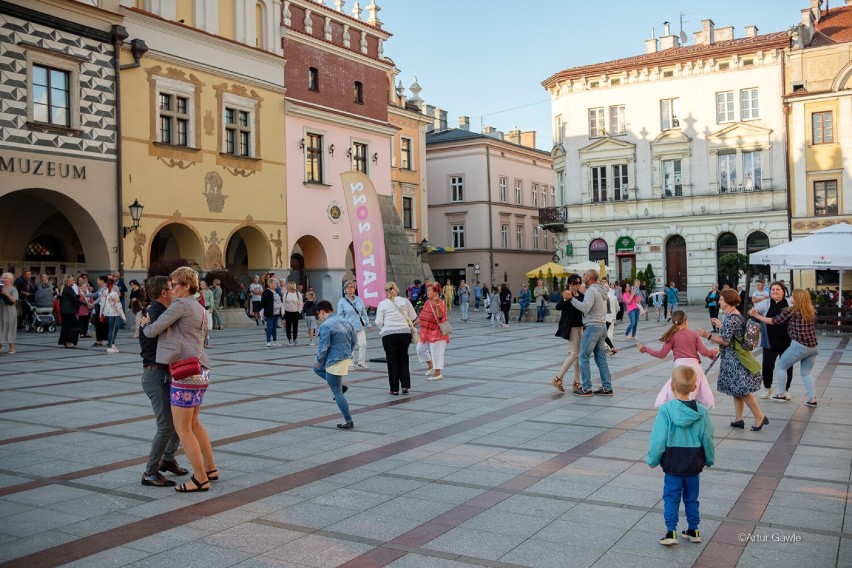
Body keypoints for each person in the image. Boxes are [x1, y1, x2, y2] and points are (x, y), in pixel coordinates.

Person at [140, 266, 216, 493]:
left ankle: (201, 478)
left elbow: (153, 330)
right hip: (202, 369)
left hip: (185, 372)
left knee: (183, 429)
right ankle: (210, 468)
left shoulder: (180, 304)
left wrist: (145, 324)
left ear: (184, 285)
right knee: (194, 423)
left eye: (173, 285)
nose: (170, 289)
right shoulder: (199, 307)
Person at [647, 366, 715, 547]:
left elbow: (658, 438)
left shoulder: (666, 410)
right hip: (694, 461)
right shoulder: (701, 412)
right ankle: (694, 529)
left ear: (671, 386)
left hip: (673, 461)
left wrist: (653, 459)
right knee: (692, 497)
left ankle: (671, 531)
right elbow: (707, 438)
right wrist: (709, 458)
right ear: (694, 388)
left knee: (671, 496)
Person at [139, 275, 189, 488]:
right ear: (163, 292)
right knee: (166, 425)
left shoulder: (156, 312)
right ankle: (150, 472)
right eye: (171, 288)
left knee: (179, 420)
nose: (174, 291)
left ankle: (167, 459)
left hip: (164, 373)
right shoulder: (158, 313)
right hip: (155, 375)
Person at [698, 289, 767, 430]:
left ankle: (759, 416)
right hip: (733, 357)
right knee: (736, 390)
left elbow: (725, 341)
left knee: (742, 390)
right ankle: (738, 419)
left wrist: (707, 335)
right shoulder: (734, 316)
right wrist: (720, 325)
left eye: (721, 299)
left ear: (728, 301)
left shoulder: (732, 318)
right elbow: (732, 334)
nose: (719, 301)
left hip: (736, 359)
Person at [750, 289, 819, 407]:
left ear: (796, 298)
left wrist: (757, 315)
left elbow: (773, 321)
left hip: (799, 346)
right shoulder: (811, 310)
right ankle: (812, 399)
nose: (790, 297)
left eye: (792, 296)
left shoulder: (791, 311)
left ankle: (782, 394)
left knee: (781, 366)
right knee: (806, 373)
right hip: (813, 347)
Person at [638, 310, 717, 408]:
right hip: (694, 370)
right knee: (692, 396)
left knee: (676, 395)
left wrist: (645, 349)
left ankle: (678, 416)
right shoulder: (694, 334)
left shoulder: (672, 336)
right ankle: (691, 415)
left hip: (679, 370)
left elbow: (661, 354)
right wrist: (713, 353)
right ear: (685, 321)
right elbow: (704, 352)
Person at [313, 300, 356, 429]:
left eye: (319, 315)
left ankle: (348, 420)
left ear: (322, 312)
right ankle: (341, 387)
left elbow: (323, 347)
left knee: (336, 392)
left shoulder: (326, 325)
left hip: (333, 361)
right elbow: (354, 341)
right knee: (316, 369)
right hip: (345, 358)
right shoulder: (345, 321)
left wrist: (319, 360)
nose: (319, 318)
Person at [570, 270, 614, 396]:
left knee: (583, 357)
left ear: (589, 277)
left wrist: (571, 299)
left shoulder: (591, 291)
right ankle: (607, 387)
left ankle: (586, 388)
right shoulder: (601, 290)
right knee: (601, 358)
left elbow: (585, 307)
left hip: (592, 327)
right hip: (601, 326)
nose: (582, 277)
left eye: (584, 275)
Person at [752, 282, 793, 400]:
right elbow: (756, 310)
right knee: (767, 366)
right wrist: (754, 312)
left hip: (787, 341)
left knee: (787, 366)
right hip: (769, 341)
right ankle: (767, 388)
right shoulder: (766, 302)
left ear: (783, 291)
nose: (775, 291)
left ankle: (785, 390)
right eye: (773, 289)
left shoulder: (789, 303)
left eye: (778, 289)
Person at [375, 281, 418, 395]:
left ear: (386, 291)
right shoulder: (405, 301)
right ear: (397, 289)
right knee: (403, 358)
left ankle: (394, 389)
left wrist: (385, 325)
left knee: (392, 360)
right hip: (404, 333)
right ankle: (405, 385)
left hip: (389, 334)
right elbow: (413, 316)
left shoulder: (382, 304)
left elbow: (378, 322)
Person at [551, 275, 584, 393]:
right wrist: (565, 299)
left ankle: (577, 382)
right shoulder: (566, 294)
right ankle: (558, 378)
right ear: (570, 283)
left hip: (581, 327)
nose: (578, 285)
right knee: (574, 354)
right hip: (571, 328)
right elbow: (558, 307)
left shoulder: (581, 296)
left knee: (578, 356)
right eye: (575, 283)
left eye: (579, 283)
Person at [418, 283, 450, 381]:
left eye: (430, 290)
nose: (427, 292)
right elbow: (423, 315)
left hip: (438, 331)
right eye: (427, 291)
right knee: (420, 348)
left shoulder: (440, 302)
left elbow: (440, 316)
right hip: (427, 331)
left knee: (437, 352)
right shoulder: (427, 302)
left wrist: (437, 304)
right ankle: (430, 365)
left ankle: (438, 373)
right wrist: (414, 323)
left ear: (435, 292)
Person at [337, 280, 372, 369]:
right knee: (350, 346)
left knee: (363, 344)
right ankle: (350, 364)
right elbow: (340, 316)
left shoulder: (359, 300)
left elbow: (364, 313)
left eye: (352, 287)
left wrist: (368, 323)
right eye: (348, 287)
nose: (350, 289)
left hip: (359, 326)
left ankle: (361, 362)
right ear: (344, 289)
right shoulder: (341, 301)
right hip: (348, 327)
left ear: (355, 289)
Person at [58, 275, 84, 348]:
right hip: (67, 311)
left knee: (70, 327)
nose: (74, 281)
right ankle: (68, 341)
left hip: (68, 310)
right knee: (72, 326)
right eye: (72, 280)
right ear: (68, 282)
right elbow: (74, 298)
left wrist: (79, 296)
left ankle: (69, 341)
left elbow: (73, 297)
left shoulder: (69, 289)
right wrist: (85, 304)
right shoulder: (67, 289)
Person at [104, 276, 126, 353]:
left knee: (114, 328)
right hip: (113, 313)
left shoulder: (105, 292)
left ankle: (112, 344)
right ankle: (110, 346)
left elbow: (102, 303)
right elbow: (118, 306)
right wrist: (123, 316)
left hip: (108, 313)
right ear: (113, 284)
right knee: (112, 329)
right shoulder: (114, 293)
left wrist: (102, 313)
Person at [0, 273, 19, 354]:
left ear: (10, 279)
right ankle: (1, 344)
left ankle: (12, 347)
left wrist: (6, 293)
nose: (3, 279)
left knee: (9, 327)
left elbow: (13, 300)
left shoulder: (13, 289)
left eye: (5, 277)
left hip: (9, 310)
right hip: (1, 309)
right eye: (2, 277)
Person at [261, 277, 283, 347]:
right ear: (270, 284)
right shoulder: (267, 292)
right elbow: (263, 302)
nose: (277, 284)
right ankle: (268, 341)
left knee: (274, 327)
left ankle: (275, 340)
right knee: (269, 326)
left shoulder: (276, 291)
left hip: (276, 312)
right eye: (275, 283)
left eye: (277, 283)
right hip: (270, 312)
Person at [283, 281, 304, 345]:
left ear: (291, 286)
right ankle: (289, 339)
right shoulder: (286, 293)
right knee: (288, 326)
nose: (287, 287)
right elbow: (283, 303)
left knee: (295, 326)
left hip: (295, 312)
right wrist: (283, 313)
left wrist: (299, 311)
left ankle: (295, 338)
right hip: (287, 312)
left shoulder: (298, 294)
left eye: (288, 286)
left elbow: (300, 303)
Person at [91, 275, 109, 347]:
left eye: (98, 280)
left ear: (102, 281)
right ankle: (99, 340)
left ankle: (100, 341)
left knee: (100, 324)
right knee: (98, 324)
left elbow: (101, 298)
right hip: (99, 308)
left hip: (103, 308)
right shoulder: (101, 288)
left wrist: (93, 303)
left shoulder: (106, 289)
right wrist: (86, 294)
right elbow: (95, 295)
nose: (97, 281)